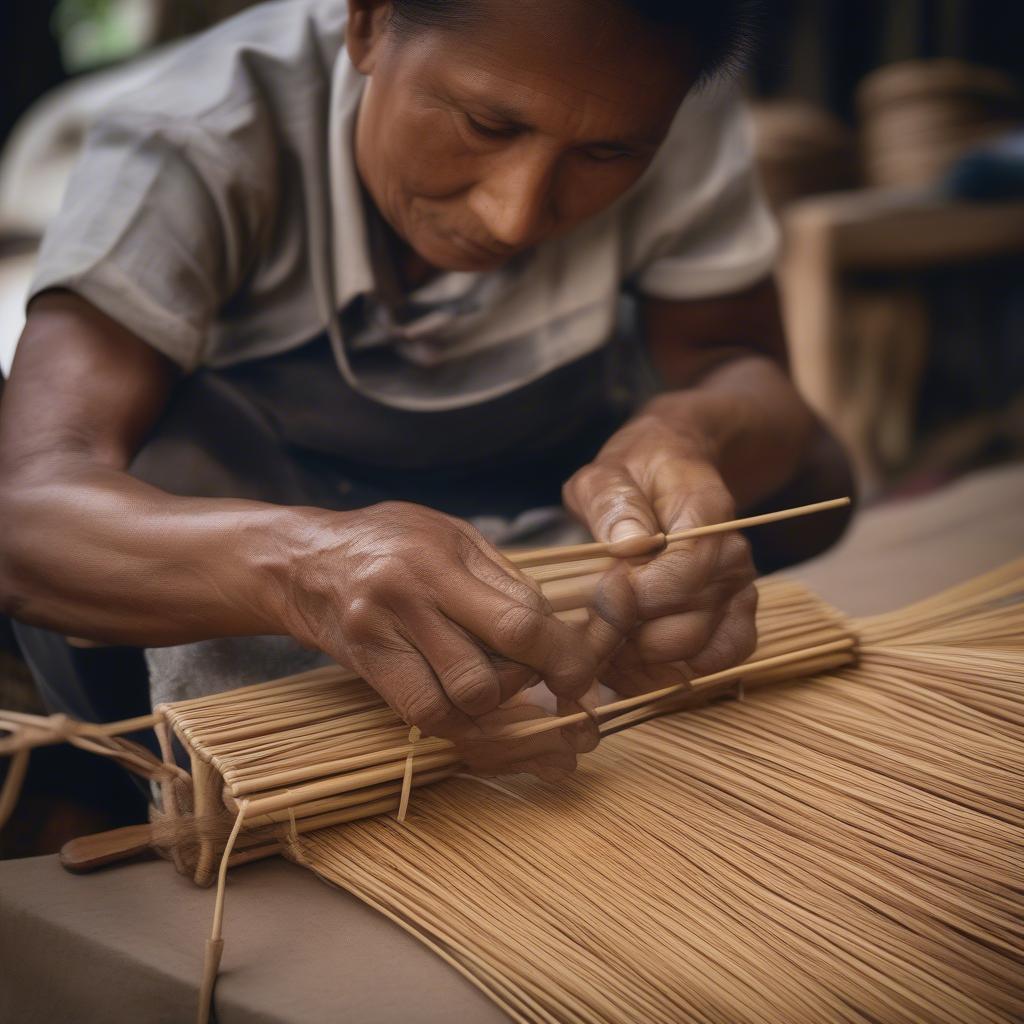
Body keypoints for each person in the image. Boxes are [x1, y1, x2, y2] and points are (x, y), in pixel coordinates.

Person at [0, 0, 853, 779]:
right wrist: (306, 567)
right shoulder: (197, 138)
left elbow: (754, 384)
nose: (513, 217)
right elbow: (26, 507)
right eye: (487, 124)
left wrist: (693, 436)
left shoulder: (659, 99)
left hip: (530, 524)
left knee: (810, 487)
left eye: (606, 153)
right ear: (367, 23)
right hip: (246, 570)